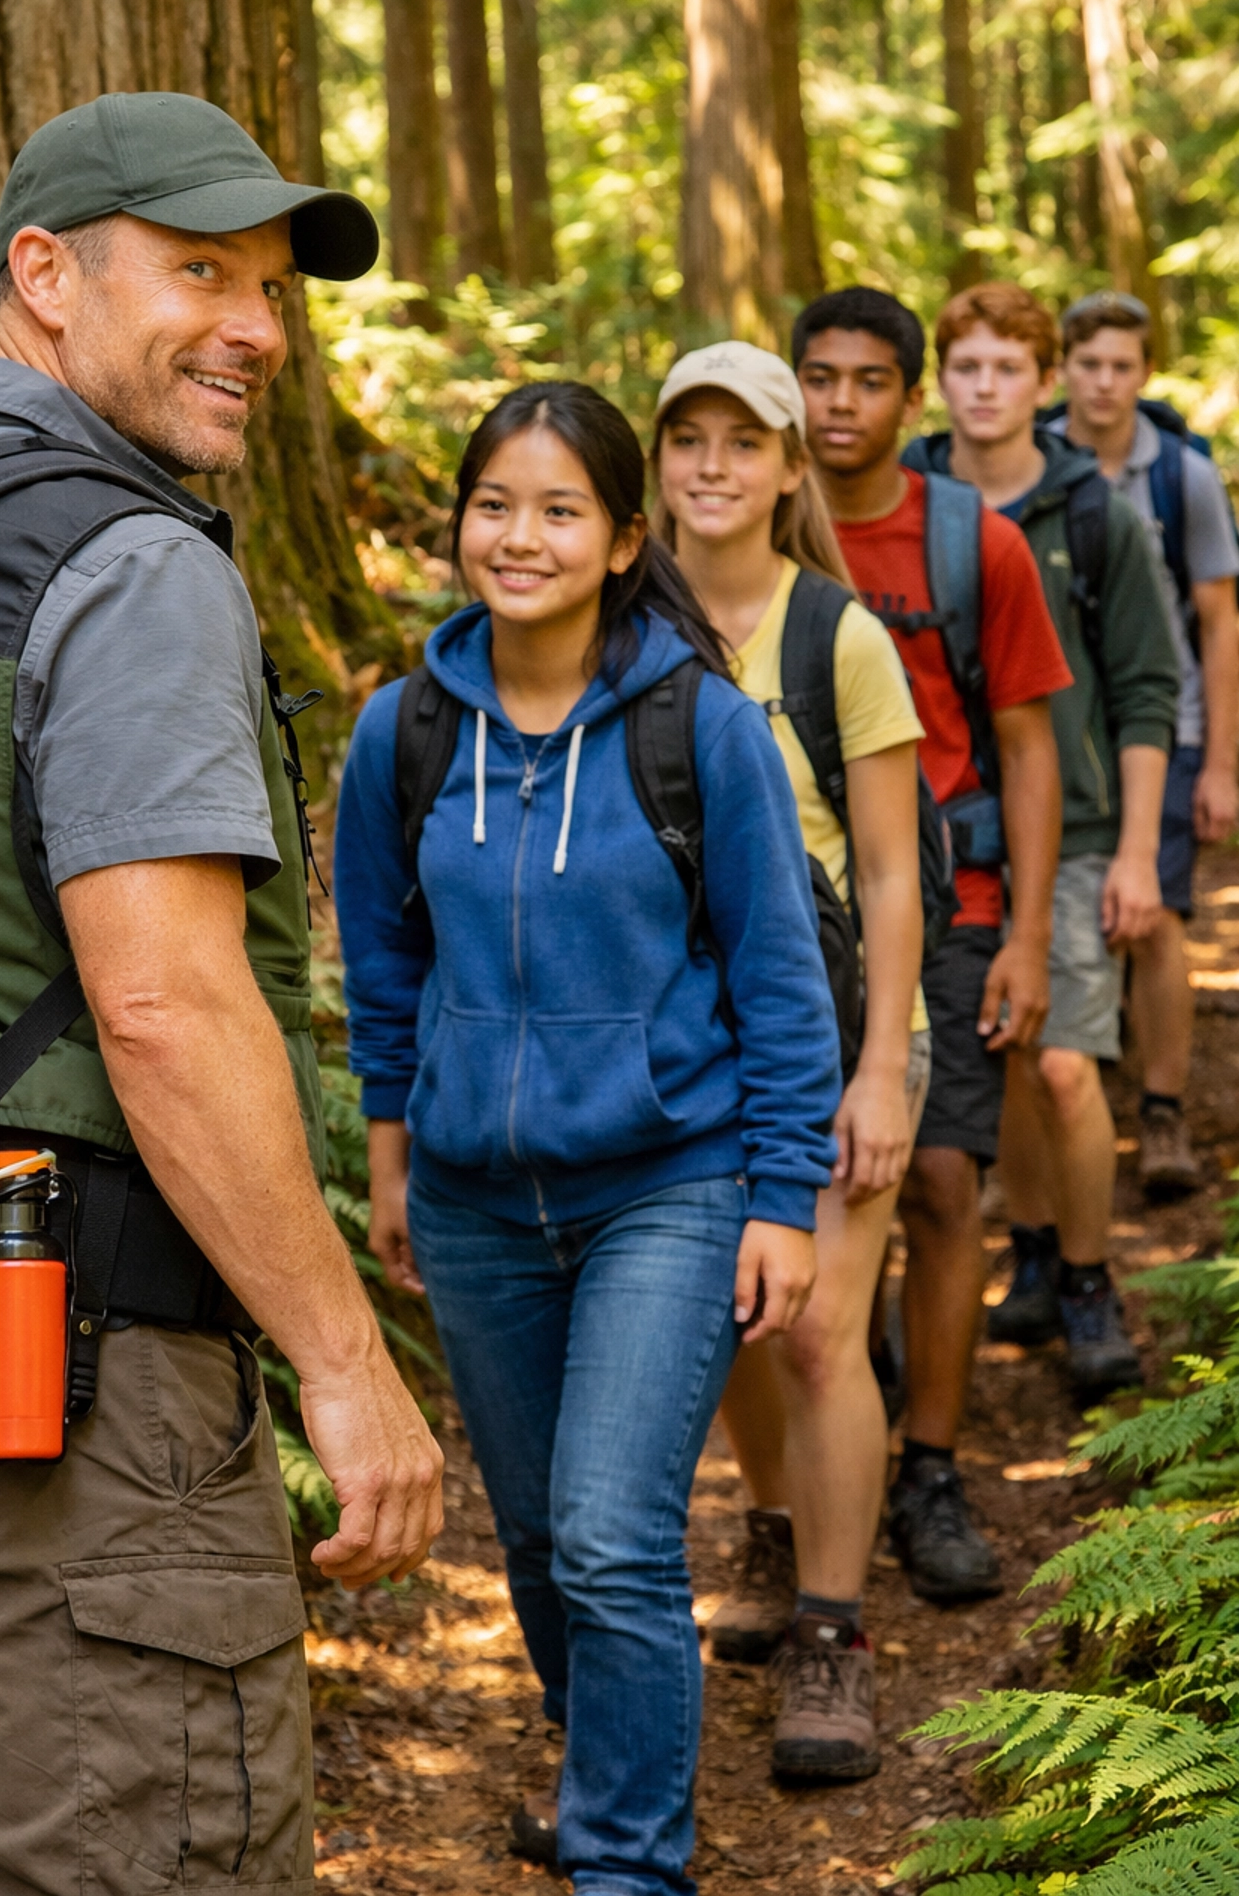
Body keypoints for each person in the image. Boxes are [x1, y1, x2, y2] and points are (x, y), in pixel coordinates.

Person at [0, 92, 444, 1895]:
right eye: (201, 271)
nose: (261, 331)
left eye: (275, 288)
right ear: (42, 274)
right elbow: (166, 1004)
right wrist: (345, 1363)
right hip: (51, 1375)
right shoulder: (122, 559)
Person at [335, 381, 843, 1895]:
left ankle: (628, 1859)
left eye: (561, 510)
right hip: (480, 1206)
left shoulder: (703, 726)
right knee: (549, 1549)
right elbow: (381, 966)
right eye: (496, 504)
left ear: (626, 539)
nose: (521, 536)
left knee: (617, 1536)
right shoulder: (403, 730)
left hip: (669, 1187)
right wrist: (391, 1158)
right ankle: (605, 1748)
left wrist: (785, 1195)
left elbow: (777, 978)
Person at [649, 342, 927, 1784]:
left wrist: (883, 1071)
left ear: (784, 467)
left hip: (832, 1032)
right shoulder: (620, 619)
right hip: (687, 1045)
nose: (712, 465)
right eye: (686, 437)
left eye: (741, 442)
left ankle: (832, 1629)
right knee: (739, 1312)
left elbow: (889, 875)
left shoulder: (839, 641)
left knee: (818, 1324)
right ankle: (769, 1526)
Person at [792, 286, 1070, 1602]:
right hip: (782, 913)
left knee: (946, 1182)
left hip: (945, 900)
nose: (839, 403)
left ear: (909, 400)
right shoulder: (748, 529)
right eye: (819, 377)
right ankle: (823, 1440)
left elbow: (1026, 745)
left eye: (866, 380)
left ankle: (933, 1467)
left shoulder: (973, 543)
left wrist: (1025, 936)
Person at [904, 281, 1180, 1404]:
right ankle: (1028, 1250)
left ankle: (1086, 1276)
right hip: (940, 830)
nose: (984, 389)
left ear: (1044, 381)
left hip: (1073, 825)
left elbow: (1148, 688)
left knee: (1066, 1062)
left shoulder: (1094, 512)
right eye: (964, 368)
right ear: (940, 381)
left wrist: (1137, 854)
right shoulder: (904, 500)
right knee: (1004, 1053)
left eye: (1006, 369)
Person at [1050, 291, 1239, 1197]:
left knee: (1158, 915)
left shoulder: (1182, 475)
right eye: (1089, 364)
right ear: (1064, 369)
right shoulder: (1033, 458)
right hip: (1059, 731)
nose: (1105, 383)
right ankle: (1074, 1094)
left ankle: (1162, 1115)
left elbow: (1219, 622)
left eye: (1122, 366)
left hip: (1173, 724)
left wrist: (1224, 766)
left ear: (1145, 373)